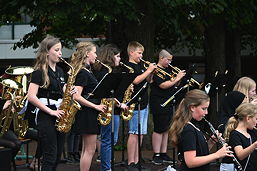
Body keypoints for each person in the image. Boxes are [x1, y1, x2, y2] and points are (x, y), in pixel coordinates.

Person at [27, 35, 67, 171]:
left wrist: (70, 91)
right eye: (56, 50)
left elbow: (64, 90)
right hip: (46, 114)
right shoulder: (39, 72)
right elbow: (31, 96)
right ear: (47, 52)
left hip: (60, 113)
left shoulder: (61, 71)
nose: (60, 53)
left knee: (56, 156)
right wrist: (50, 111)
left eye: (60, 50)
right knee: (49, 155)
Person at [169, 89, 232, 171]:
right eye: (204, 109)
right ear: (192, 107)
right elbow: (190, 162)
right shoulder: (188, 130)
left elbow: (200, 153)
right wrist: (217, 155)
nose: (206, 113)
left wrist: (211, 142)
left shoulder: (195, 125)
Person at [70, 41, 106, 171]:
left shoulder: (84, 71)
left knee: (87, 149)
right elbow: (77, 96)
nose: (96, 56)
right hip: (88, 113)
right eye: (94, 52)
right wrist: (95, 106)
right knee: (90, 149)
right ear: (86, 54)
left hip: (86, 112)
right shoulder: (83, 72)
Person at [93, 44, 128, 171]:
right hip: (107, 110)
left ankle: (107, 166)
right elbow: (106, 93)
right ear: (110, 56)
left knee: (112, 140)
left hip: (114, 110)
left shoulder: (110, 71)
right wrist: (120, 104)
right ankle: (106, 168)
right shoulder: (104, 72)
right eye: (117, 56)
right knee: (108, 141)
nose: (119, 59)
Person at [149, 49, 186, 165]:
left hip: (169, 101)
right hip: (159, 102)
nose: (170, 62)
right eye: (168, 60)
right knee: (159, 129)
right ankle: (156, 154)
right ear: (161, 58)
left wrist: (178, 80)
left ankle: (163, 153)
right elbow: (163, 85)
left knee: (166, 129)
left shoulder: (169, 69)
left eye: (171, 60)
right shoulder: (156, 70)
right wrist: (177, 78)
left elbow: (174, 83)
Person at [125, 41, 157, 171]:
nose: (141, 55)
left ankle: (137, 161)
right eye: (139, 53)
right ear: (131, 52)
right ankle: (130, 162)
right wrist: (148, 70)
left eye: (142, 53)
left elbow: (148, 81)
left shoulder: (141, 66)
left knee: (141, 134)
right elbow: (135, 80)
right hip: (134, 103)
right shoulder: (129, 66)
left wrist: (151, 73)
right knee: (133, 133)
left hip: (144, 103)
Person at [222, 103, 257, 171]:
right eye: (256, 119)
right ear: (248, 118)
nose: (256, 122)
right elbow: (240, 155)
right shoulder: (235, 134)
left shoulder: (251, 132)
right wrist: (255, 144)